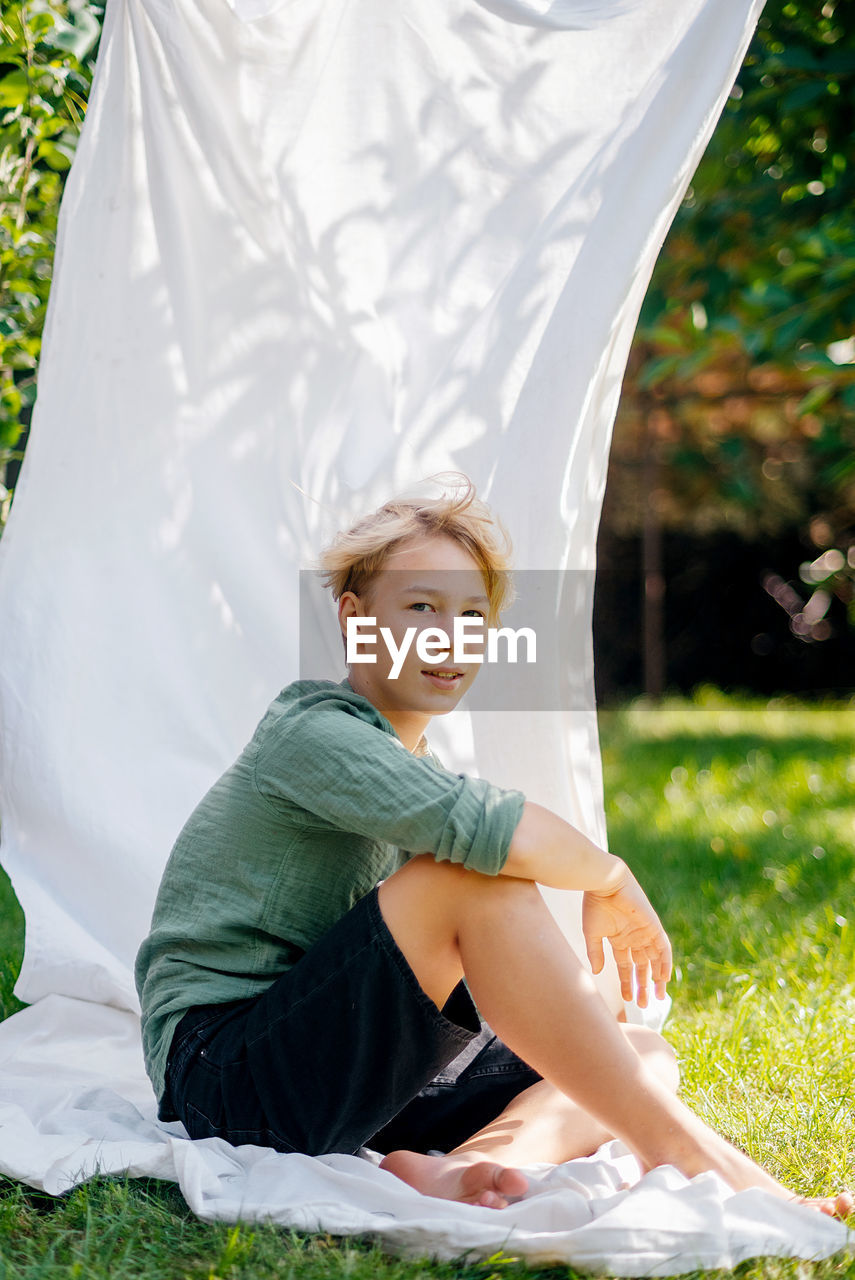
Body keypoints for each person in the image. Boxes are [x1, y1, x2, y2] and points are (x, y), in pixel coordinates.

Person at [135, 476, 852, 1217]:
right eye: (421, 607)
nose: (450, 635)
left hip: (341, 1071)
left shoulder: (410, 768)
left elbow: (465, 965)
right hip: (224, 1077)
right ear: (355, 620)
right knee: (472, 875)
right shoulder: (313, 733)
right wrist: (610, 878)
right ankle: (698, 1160)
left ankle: (462, 1168)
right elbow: (492, 834)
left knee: (635, 1052)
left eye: (472, 614)